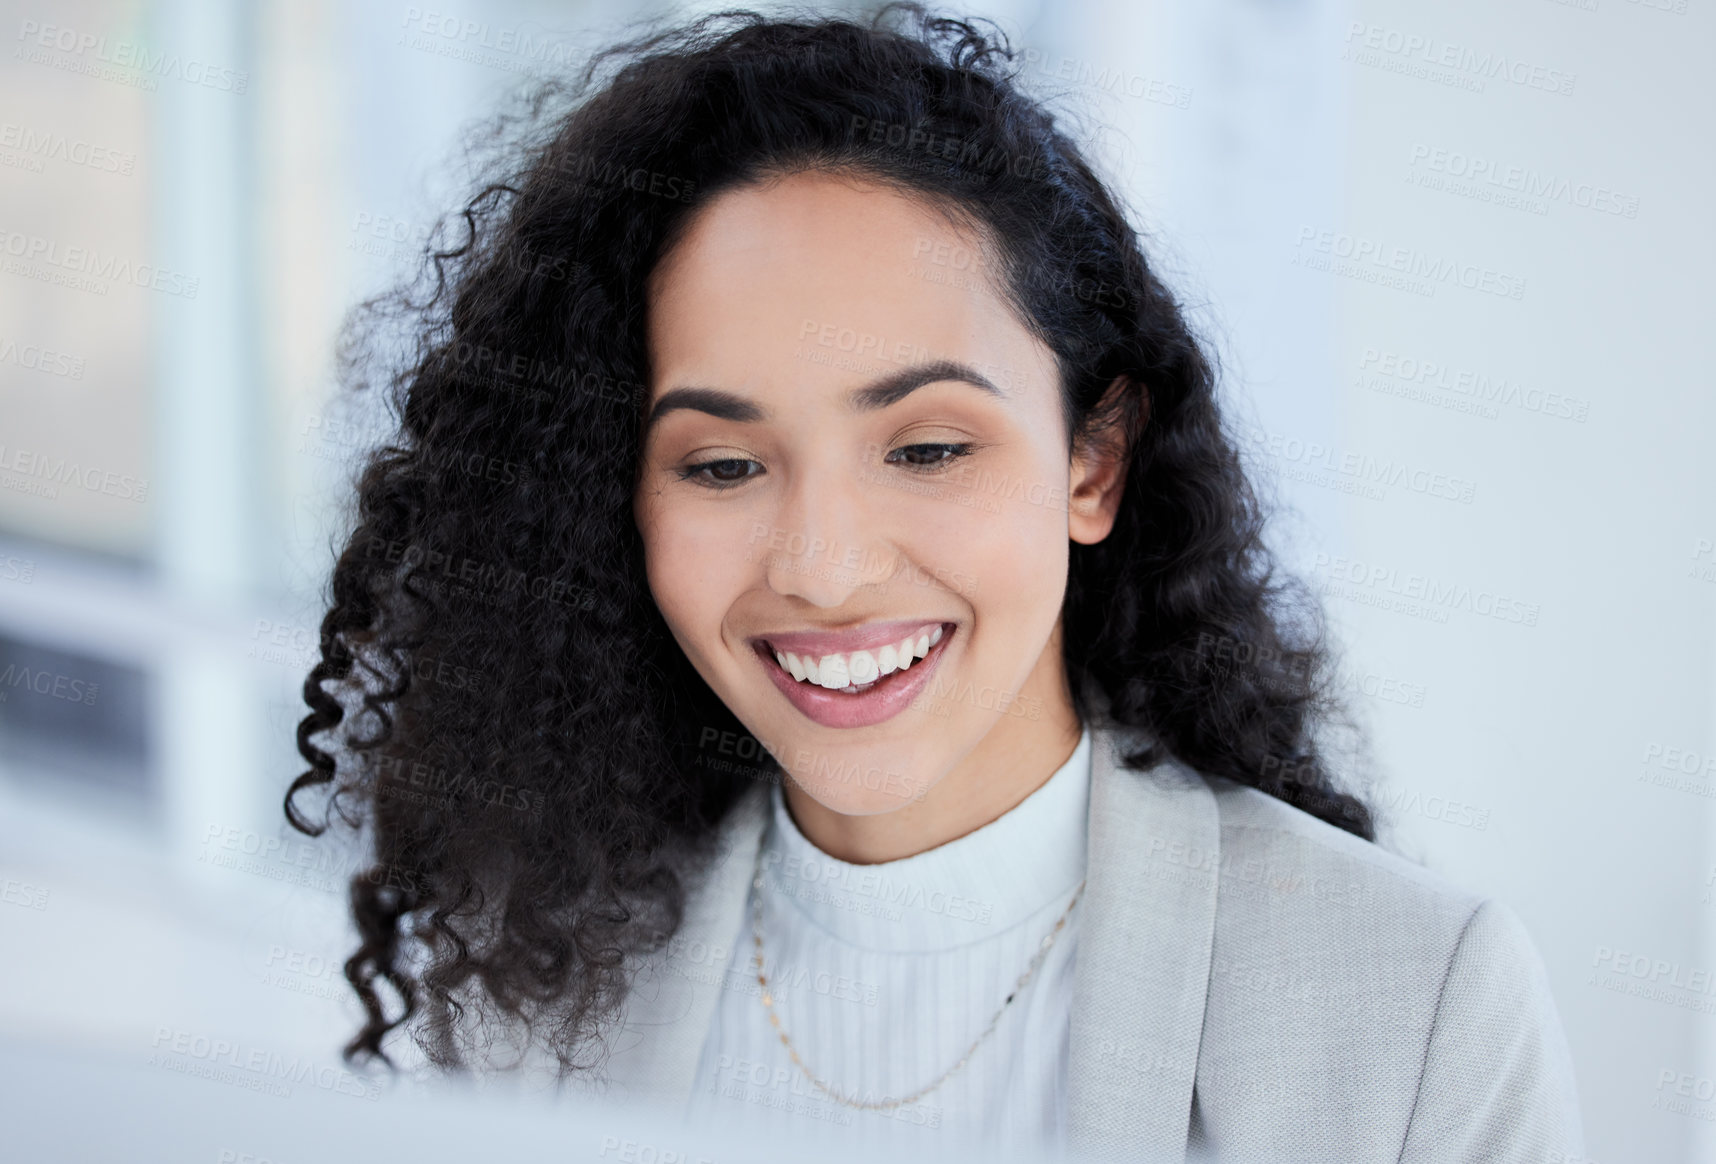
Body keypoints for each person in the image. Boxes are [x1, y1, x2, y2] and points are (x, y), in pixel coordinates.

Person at [285, 5, 1585, 1161]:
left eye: (927, 448)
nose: (824, 569)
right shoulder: (532, 989)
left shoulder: (1415, 1005)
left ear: (1093, 461)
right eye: (724, 464)